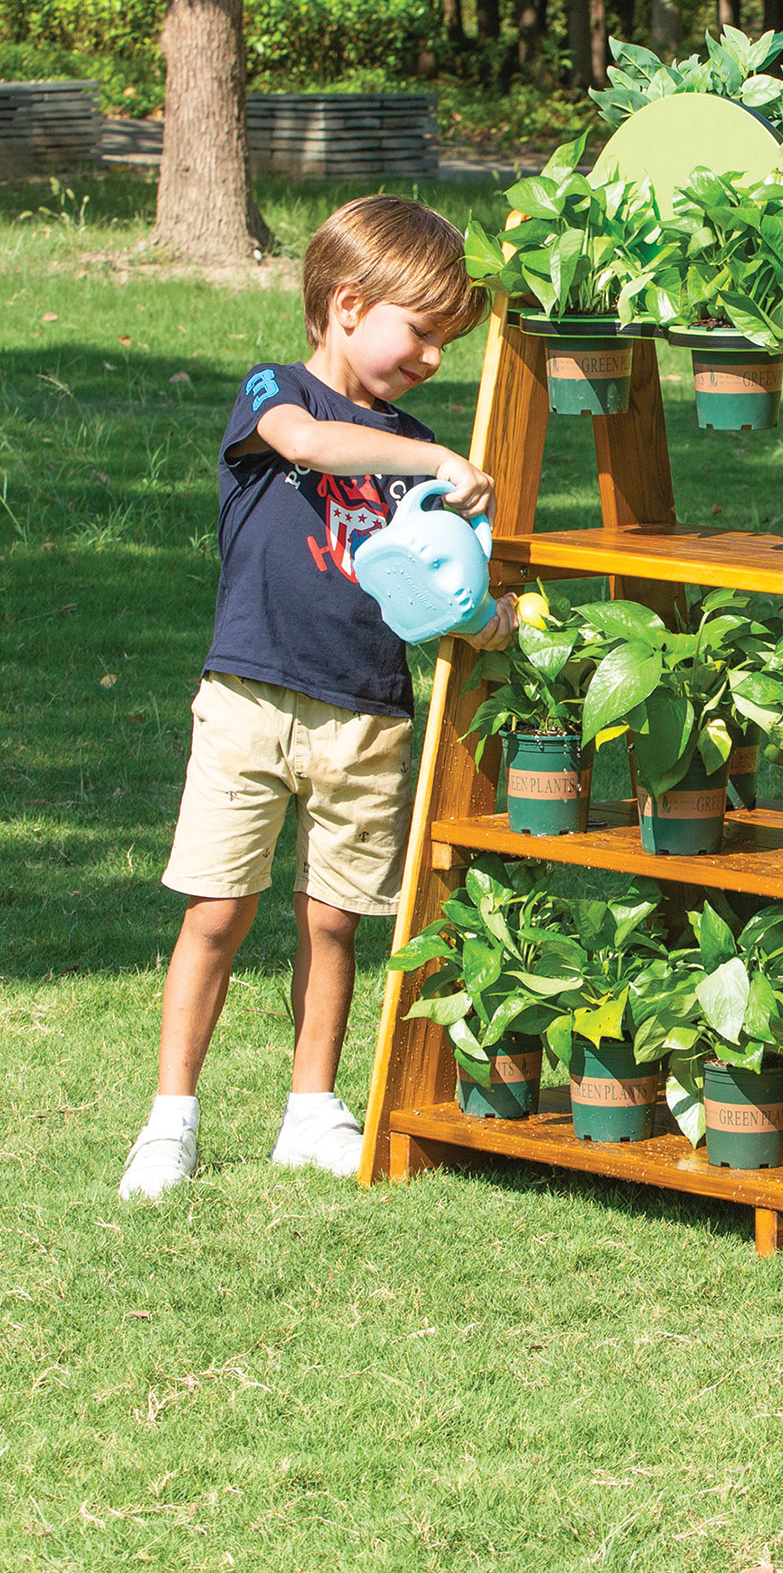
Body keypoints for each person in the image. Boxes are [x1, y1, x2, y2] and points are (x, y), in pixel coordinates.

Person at [118, 195, 515, 1202]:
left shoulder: (415, 449)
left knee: (333, 920)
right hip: (250, 698)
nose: (432, 356)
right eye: (420, 331)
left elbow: (444, 595)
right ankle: (171, 1121)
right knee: (217, 910)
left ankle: (311, 1110)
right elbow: (308, 448)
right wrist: (433, 461)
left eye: (445, 340)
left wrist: (498, 618)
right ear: (348, 305)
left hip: (367, 712)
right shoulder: (276, 395)